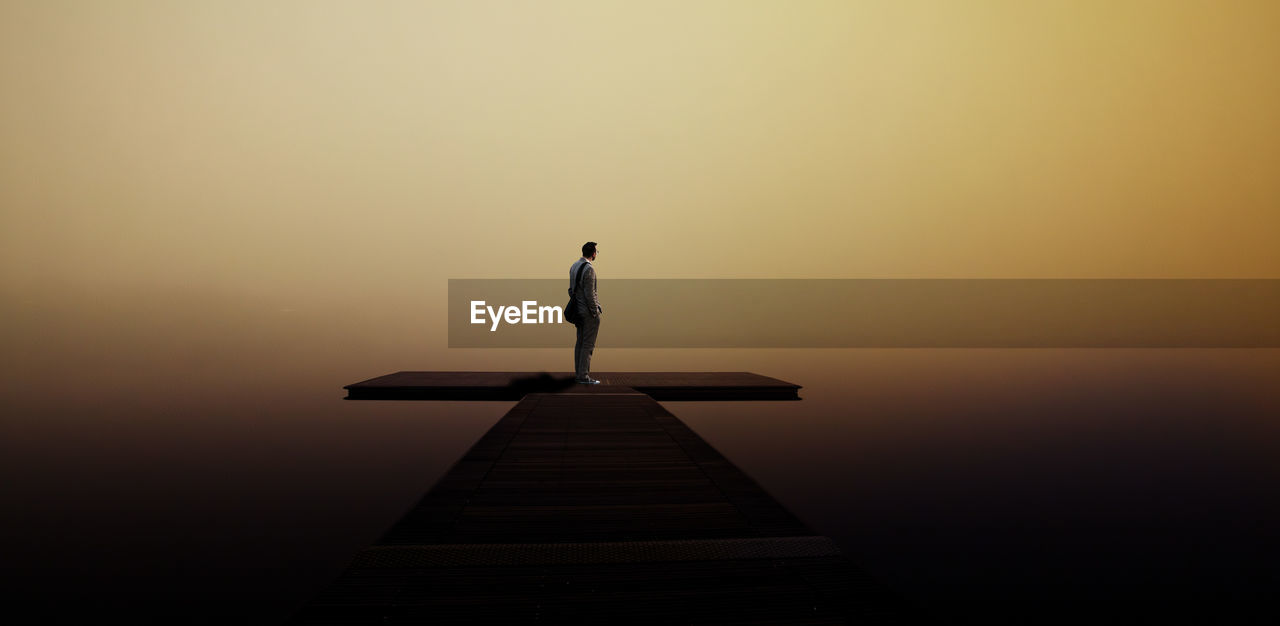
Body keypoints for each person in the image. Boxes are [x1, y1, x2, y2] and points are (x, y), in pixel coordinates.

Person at [569, 241, 602, 384]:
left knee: (580, 342)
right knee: (588, 345)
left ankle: (579, 374)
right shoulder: (589, 269)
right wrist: (595, 312)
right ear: (593, 253)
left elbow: (571, 290)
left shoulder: (574, 266)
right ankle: (584, 376)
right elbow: (590, 294)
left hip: (578, 312)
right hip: (588, 313)